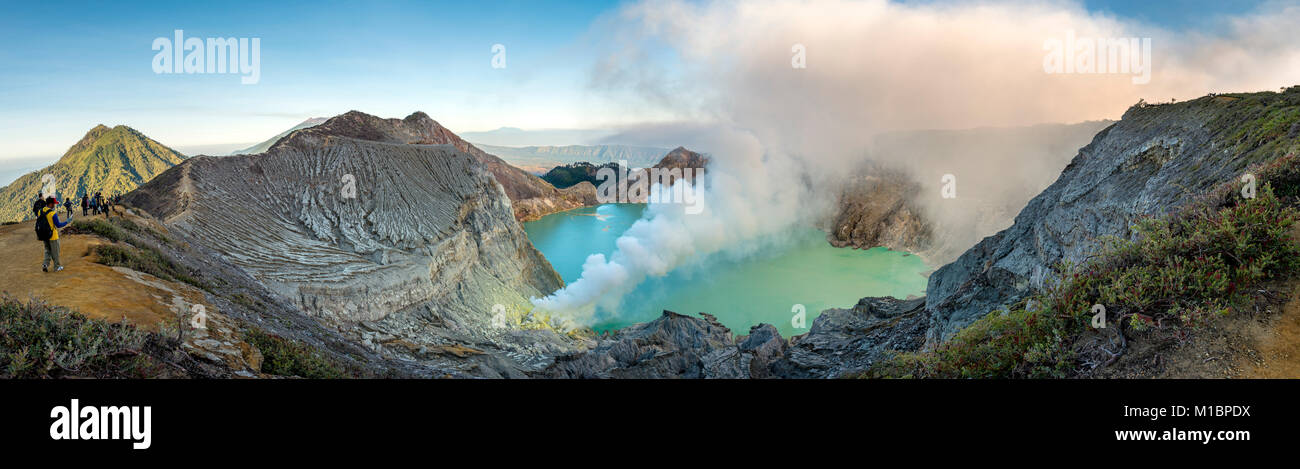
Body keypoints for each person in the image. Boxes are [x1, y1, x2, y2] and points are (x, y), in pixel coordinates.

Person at [37, 197, 71, 272]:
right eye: (54, 204)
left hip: (44, 235)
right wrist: (67, 221)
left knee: (47, 250)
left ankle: (45, 264)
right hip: (53, 236)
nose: (55, 205)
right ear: (51, 204)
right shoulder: (53, 214)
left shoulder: (40, 211)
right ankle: (57, 267)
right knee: (55, 252)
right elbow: (58, 225)